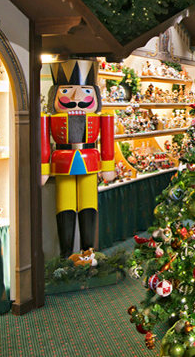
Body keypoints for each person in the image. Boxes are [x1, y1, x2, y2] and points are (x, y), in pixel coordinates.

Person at [41, 59, 115, 258]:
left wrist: (108, 165)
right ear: (54, 92)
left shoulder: (101, 118)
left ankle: (87, 249)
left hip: (90, 160)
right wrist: (44, 168)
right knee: (64, 205)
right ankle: (66, 253)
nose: (76, 97)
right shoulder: (48, 118)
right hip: (63, 162)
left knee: (89, 205)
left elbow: (107, 140)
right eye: (66, 91)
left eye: (86, 91)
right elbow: (43, 144)